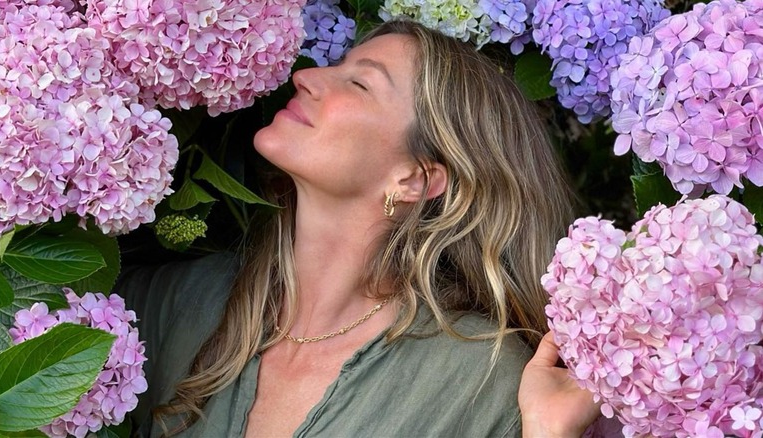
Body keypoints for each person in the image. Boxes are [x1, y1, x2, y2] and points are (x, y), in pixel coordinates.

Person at [117, 18, 597, 437]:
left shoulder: (478, 381)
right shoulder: (182, 302)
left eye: (361, 83)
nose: (304, 76)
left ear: (414, 178)